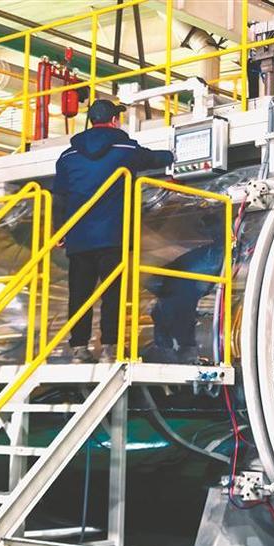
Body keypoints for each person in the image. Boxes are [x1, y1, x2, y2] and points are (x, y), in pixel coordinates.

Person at [53, 99, 174, 363]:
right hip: (112, 235)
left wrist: (59, 230)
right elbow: (154, 158)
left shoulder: (67, 156)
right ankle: (110, 347)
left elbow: (59, 196)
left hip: (79, 237)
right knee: (113, 293)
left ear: (91, 121)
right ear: (114, 121)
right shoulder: (125, 148)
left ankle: (79, 348)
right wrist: (173, 154)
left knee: (79, 294)